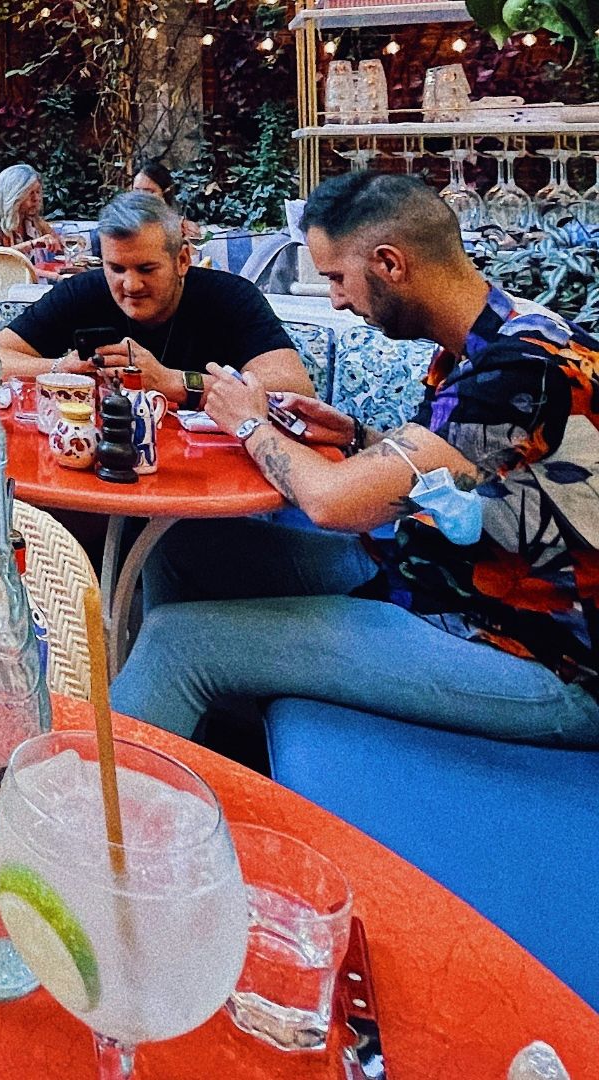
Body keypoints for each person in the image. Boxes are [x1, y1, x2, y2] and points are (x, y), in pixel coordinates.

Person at [111, 172, 599, 748]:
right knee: (182, 546)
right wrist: (356, 435)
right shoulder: (495, 338)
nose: (337, 299)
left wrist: (246, 421)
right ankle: (202, 731)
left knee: (178, 640)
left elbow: (331, 504)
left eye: (338, 278)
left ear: (390, 263)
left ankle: (105, 825)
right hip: (430, 576)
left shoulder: (522, 369)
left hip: (538, 656)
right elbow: (461, 466)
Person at [0, 191, 315, 399]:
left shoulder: (230, 297)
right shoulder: (85, 291)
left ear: (182, 260)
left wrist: (171, 381)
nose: (131, 285)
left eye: (147, 269)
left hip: (207, 482)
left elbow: (295, 389)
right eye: (117, 268)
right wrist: (60, 369)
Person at [0, 164, 64, 260]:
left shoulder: (33, 220)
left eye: (38, 192)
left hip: (32, 274)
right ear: (13, 196)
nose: (36, 198)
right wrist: (32, 244)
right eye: (30, 193)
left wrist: (74, 241)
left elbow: (59, 245)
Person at [130, 161, 204, 242]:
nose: (141, 196)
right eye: (136, 190)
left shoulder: (182, 228)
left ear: (166, 192)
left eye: (148, 191)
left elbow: (192, 252)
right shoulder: (122, 221)